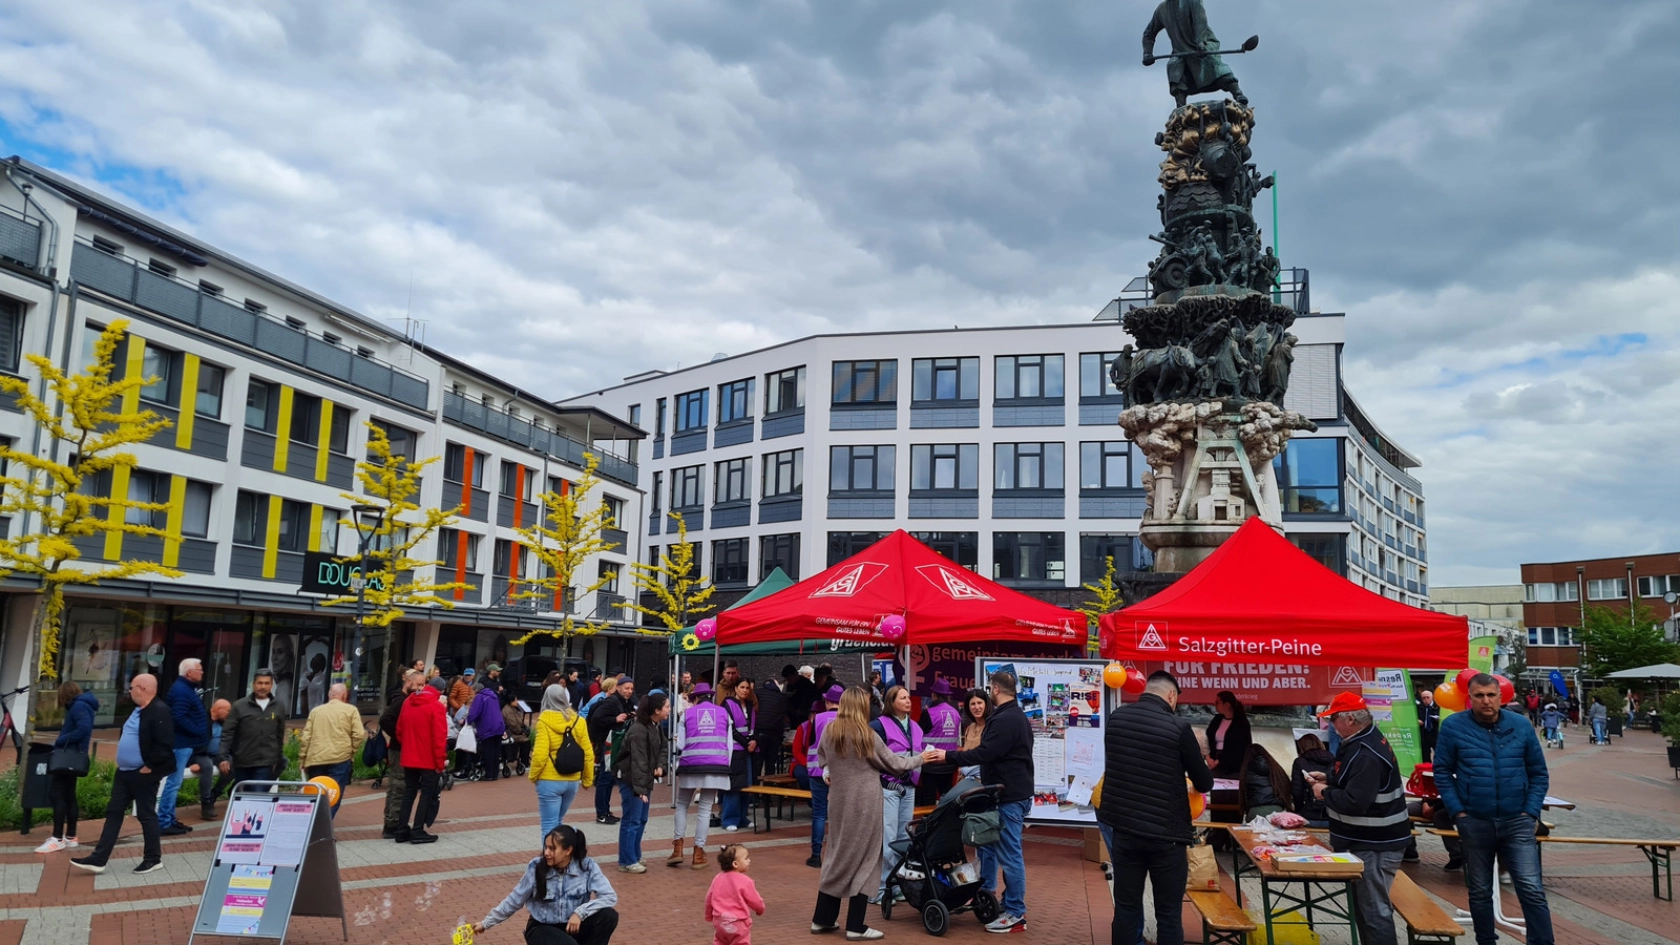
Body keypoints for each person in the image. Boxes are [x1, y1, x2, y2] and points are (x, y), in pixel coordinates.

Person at [1433, 673, 1554, 945]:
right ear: (1470, 698)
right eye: (1479, 695)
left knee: (1532, 889)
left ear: (1501, 697)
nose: (1486, 701)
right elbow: (1442, 772)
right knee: (1478, 890)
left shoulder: (1521, 726)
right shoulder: (1454, 727)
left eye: (1491, 695)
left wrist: (1530, 812)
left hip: (1517, 820)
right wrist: (1458, 812)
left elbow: (1539, 774)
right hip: (1475, 820)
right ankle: (1486, 941)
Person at [1098, 670, 1212, 945]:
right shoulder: (1179, 728)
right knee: (1169, 913)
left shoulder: (1117, 719)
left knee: (1126, 906)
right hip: (1167, 836)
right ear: (1171, 695)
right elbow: (1204, 782)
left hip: (1125, 830)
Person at [812, 687, 923, 941]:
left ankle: (823, 919)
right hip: (865, 804)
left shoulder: (830, 731)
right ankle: (855, 925)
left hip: (838, 802)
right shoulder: (866, 735)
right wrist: (922, 758)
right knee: (866, 858)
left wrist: (831, 772)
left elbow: (822, 759)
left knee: (837, 855)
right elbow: (896, 764)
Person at [931, 670, 1033, 935]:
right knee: (999, 852)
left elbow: (987, 753)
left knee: (1010, 856)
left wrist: (949, 756)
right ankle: (1005, 902)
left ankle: (1015, 913)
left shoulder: (1005, 718)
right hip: (1011, 793)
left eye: (988, 691)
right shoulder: (1016, 716)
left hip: (1008, 795)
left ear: (995, 690)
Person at [1309, 692, 1411, 945]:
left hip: (1373, 843)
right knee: (1367, 910)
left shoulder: (1366, 752)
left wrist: (1324, 792)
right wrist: (1330, 779)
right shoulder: (1361, 740)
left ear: (1351, 719)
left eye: (1333, 719)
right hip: (1367, 841)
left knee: (1374, 912)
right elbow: (1356, 781)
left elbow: (1355, 802)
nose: (1330, 724)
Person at [72, 674, 174, 875]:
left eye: (133, 687)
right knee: (113, 813)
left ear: (143, 688)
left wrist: (150, 766)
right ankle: (99, 859)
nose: (130, 690)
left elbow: (165, 744)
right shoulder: (137, 710)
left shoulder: (159, 711)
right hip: (124, 773)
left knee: (146, 815)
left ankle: (153, 859)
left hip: (143, 774)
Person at [473, 824, 620, 945]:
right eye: (546, 847)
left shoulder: (587, 866)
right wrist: (486, 923)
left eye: (552, 849)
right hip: (542, 928)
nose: (547, 853)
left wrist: (580, 912)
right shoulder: (536, 867)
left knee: (608, 916)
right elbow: (514, 900)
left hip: (572, 925)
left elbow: (609, 897)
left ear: (568, 850)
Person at [869, 684, 922, 904]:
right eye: (903, 698)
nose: (908, 701)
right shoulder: (878, 725)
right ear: (891, 702)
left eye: (909, 697)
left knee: (903, 837)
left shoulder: (916, 727)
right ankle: (879, 889)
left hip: (909, 788)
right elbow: (873, 758)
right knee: (888, 838)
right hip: (889, 788)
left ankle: (897, 884)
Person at [670, 682, 730, 869]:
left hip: (691, 764)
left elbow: (680, 745)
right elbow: (729, 744)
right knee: (705, 808)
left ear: (695, 698)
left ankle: (678, 849)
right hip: (716, 765)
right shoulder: (723, 714)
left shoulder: (687, 714)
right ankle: (698, 853)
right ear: (710, 697)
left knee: (682, 804)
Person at [530, 684, 596, 842]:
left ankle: (550, 862)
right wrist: (587, 779)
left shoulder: (544, 721)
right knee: (558, 823)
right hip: (572, 779)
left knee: (548, 825)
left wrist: (533, 776)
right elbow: (588, 753)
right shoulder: (579, 721)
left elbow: (540, 754)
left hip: (549, 779)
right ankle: (560, 860)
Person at [38, 682, 98, 854]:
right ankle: (70, 836)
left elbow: (83, 728)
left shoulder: (78, 706)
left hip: (67, 756)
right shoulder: (84, 704)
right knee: (69, 795)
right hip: (74, 757)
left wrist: (60, 741)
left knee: (56, 794)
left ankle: (57, 838)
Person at [614, 693, 668, 873]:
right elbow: (638, 762)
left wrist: (660, 765)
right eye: (667, 707)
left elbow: (663, 747)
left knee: (641, 819)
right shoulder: (638, 730)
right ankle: (626, 860)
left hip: (643, 779)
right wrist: (640, 790)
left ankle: (634, 855)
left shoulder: (656, 725)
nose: (669, 710)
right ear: (656, 710)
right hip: (632, 780)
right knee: (632, 819)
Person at [396, 669, 449, 844]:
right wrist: (440, 761)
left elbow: (400, 731)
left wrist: (409, 745)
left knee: (409, 792)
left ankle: (402, 829)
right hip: (427, 759)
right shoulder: (436, 707)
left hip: (409, 755)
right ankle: (418, 830)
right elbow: (439, 738)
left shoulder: (408, 702)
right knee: (425, 793)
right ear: (439, 692)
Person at [158, 658, 209, 836]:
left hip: (183, 743)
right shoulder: (182, 690)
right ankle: (164, 822)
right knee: (173, 783)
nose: (202, 672)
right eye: (199, 669)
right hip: (181, 743)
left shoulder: (185, 688)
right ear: (189, 673)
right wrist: (197, 731)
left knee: (174, 782)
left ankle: (170, 819)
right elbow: (178, 716)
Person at [299, 683, 366, 818]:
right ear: (344, 695)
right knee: (333, 795)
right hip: (340, 758)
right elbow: (359, 734)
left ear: (329, 695)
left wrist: (303, 758)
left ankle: (313, 824)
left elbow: (306, 737)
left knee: (315, 795)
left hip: (316, 759)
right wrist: (351, 752)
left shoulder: (316, 711)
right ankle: (324, 827)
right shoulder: (350, 710)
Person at [798, 685, 843, 868]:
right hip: (842, 772)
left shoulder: (817, 719)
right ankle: (838, 857)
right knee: (839, 814)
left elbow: (810, 743)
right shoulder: (850, 720)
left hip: (817, 770)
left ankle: (816, 855)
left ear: (827, 702)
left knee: (819, 813)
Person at [220, 669, 287, 787]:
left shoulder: (279, 706)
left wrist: (277, 757)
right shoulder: (239, 706)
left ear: (271, 685)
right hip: (243, 760)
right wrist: (223, 757)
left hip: (266, 761)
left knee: (257, 795)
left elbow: (279, 734)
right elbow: (227, 733)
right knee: (244, 795)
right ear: (253, 684)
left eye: (267, 683)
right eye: (260, 683)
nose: (263, 687)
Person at [588, 675, 635, 825]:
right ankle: (601, 813)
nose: (629, 691)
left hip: (615, 744)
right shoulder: (612, 702)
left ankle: (605, 811)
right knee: (605, 778)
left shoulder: (624, 702)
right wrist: (614, 720)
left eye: (631, 689)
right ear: (618, 687)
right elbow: (596, 719)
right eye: (626, 688)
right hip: (607, 744)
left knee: (609, 778)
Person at [380, 670, 423, 837]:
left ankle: (391, 820)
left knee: (395, 784)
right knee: (398, 784)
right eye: (418, 684)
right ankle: (392, 823)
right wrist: (401, 736)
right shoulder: (401, 701)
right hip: (399, 748)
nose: (421, 688)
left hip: (398, 746)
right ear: (408, 683)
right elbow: (385, 720)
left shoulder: (402, 699)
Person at [718, 679, 757, 832]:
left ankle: (742, 817)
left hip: (747, 749)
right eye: (742, 687)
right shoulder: (727, 704)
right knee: (734, 785)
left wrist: (754, 740)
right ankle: (729, 819)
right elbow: (730, 728)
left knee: (746, 784)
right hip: (734, 749)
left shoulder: (749, 705)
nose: (745, 690)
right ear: (736, 688)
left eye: (748, 688)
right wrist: (746, 742)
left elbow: (755, 726)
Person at [706, 843, 765, 945]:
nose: (749, 860)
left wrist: (709, 915)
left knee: (720, 941)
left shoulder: (718, 878)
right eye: (746, 858)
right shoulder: (745, 881)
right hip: (738, 922)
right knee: (740, 942)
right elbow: (754, 899)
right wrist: (760, 908)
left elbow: (709, 898)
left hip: (720, 921)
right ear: (735, 864)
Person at [916, 678, 963, 805]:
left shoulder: (929, 713)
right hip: (949, 761)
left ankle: (928, 823)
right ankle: (944, 823)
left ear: (934, 694)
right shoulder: (956, 713)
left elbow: (917, 733)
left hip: (930, 762)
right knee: (946, 796)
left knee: (928, 797)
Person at [1288, 733, 1335, 827]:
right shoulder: (1333, 760)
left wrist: (1299, 811)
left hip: (1309, 814)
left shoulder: (1300, 762)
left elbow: (1297, 791)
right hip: (1331, 815)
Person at [468, 678, 507, 781]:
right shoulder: (493, 696)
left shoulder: (480, 697)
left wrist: (467, 721)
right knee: (496, 750)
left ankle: (489, 774)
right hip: (498, 726)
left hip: (488, 727)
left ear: (476, 690)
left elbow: (474, 713)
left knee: (488, 751)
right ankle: (494, 773)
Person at [1237, 743, 1291, 819]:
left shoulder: (1247, 771)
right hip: (1278, 810)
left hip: (1255, 811)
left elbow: (1245, 793)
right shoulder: (1276, 769)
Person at [1204, 690, 1251, 777]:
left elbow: (1239, 748)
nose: (1215, 705)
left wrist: (1219, 760)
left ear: (1227, 705)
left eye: (1217, 703)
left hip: (1233, 765)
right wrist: (1208, 757)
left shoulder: (1241, 723)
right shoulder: (1217, 720)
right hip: (1214, 760)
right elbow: (1207, 737)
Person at [751, 677, 786, 778]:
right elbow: (790, 714)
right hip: (775, 734)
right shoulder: (782, 697)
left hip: (759, 732)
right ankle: (768, 791)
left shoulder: (757, 693)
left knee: (757, 764)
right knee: (770, 765)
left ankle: (755, 792)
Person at [958, 687, 991, 780]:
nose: (976, 707)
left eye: (979, 703)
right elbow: (964, 757)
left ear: (986, 704)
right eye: (973, 704)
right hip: (966, 782)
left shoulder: (991, 727)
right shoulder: (970, 728)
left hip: (983, 783)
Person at [504, 689, 531, 774]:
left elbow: (519, 722)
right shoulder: (507, 710)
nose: (517, 701)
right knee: (526, 741)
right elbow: (513, 724)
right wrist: (521, 732)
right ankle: (525, 762)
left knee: (526, 740)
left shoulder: (513, 709)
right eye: (516, 700)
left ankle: (524, 761)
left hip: (515, 732)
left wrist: (524, 727)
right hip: (511, 734)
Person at [1417, 689, 1440, 762]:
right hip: (1424, 733)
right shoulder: (1419, 707)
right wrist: (1417, 721)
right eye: (1423, 698)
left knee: (1439, 752)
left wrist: (1438, 719)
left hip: (1435, 732)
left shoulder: (1438, 706)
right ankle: (1427, 768)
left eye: (1427, 697)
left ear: (1432, 697)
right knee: (1425, 753)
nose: (1426, 699)